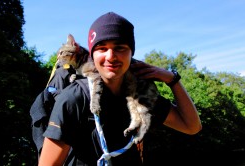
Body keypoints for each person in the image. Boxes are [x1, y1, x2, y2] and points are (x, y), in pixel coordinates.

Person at [38, 12, 202, 166]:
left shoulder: (140, 93)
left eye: (120, 48)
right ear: (92, 54)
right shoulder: (75, 98)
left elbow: (191, 126)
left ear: (131, 53)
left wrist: (172, 79)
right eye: (102, 48)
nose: (111, 56)